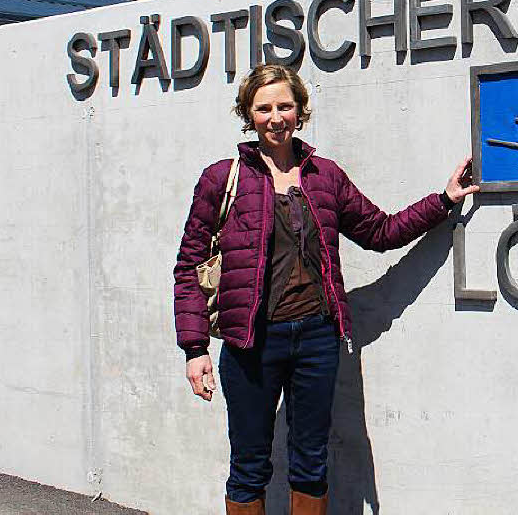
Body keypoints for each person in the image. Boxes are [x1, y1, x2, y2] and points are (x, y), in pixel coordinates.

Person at [173, 64, 478, 515]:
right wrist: (194, 348)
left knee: (312, 464)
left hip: (317, 338)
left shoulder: (324, 176)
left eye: (284, 106)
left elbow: (380, 231)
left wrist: (444, 201)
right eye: (264, 108)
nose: (275, 117)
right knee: (250, 466)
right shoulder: (223, 179)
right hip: (250, 343)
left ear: (299, 110)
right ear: (248, 114)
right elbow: (189, 264)